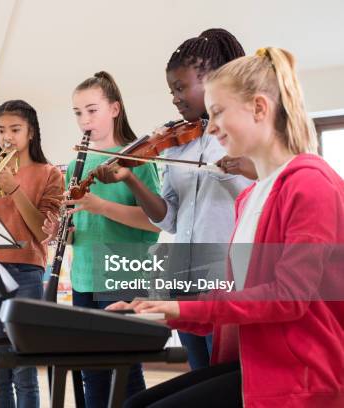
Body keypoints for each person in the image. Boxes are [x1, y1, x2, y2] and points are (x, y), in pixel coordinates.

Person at [109, 47, 344, 407]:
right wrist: (156, 312)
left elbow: (289, 297)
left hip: (301, 375)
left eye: (218, 111)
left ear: (260, 108)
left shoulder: (310, 183)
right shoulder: (249, 198)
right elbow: (238, 305)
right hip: (253, 363)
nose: (211, 125)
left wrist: (179, 309)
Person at [96, 29, 253, 370]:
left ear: (212, 82)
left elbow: (263, 192)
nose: (175, 98)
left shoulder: (241, 134)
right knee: (198, 373)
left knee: (227, 375)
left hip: (226, 277)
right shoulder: (178, 143)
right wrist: (132, 179)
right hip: (183, 276)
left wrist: (234, 168)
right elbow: (168, 217)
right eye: (172, 90)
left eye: (181, 88)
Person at [43, 71, 161, 408]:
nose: (84, 120)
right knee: (91, 371)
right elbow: (82, 223)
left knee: (124, 370)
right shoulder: (75, 164)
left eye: (92, 110)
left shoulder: (139, 157)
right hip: (84, 275)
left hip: (122, 274)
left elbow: (155, 222)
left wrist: (100, 206)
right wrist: (63, 230)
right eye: (78, 113)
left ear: (114, 109)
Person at [0, 99, 64, 407]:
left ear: (31, 133)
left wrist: (13, 188)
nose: (7, 137)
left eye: (15, 129)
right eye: (1, 130)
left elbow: (42, 231)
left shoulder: (50, 173)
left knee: (24, 367)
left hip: (26, 270)